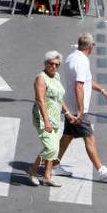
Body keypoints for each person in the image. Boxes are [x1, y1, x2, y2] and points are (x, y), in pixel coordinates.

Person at [55, 33, 107, 181]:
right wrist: (81, 110)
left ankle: (53, 165)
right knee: (89, 137)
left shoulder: (72, 57)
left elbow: (87, 81)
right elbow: (79, 86)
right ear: (90, 47)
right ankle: (101, 169)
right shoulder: (82, 62)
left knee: (67, 137)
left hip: (70, 107)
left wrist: (102, 91)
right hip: (77, 110)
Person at [28, 50, 76, 187]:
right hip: (43, 118)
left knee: (54, 149)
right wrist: (46, 120)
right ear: (46, 63)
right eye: (51, 64)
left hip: (55, 117)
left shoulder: (57, 77)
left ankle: (47, 176)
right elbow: (40, 100)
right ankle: (33, 170)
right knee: (50, 148)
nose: (54, 66)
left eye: (57, 64)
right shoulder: (41, 78)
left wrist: (68, 114)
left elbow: (59, 99)